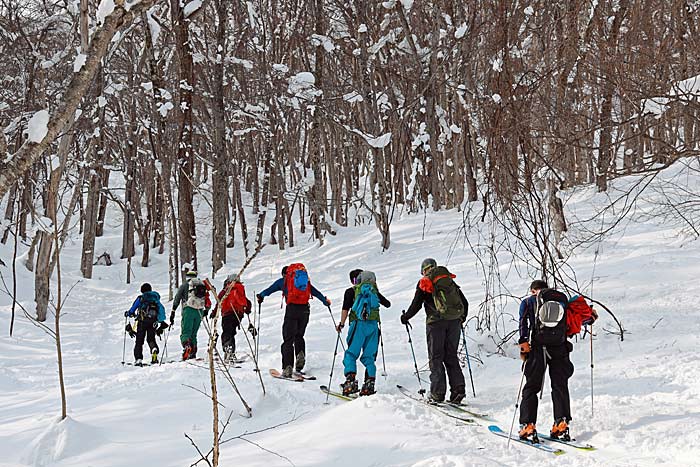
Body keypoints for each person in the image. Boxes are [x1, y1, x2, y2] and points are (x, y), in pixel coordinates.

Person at [516, 279, 595, 443]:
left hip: (538, 348)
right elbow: (580, 320)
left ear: (533, 291)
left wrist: (523, 341)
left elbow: (523, 322)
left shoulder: (528, 302)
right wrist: (590, 317)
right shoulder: (561, 302)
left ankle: (527, 424)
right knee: (560, 385)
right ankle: (561, 422)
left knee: (532, 386)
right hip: (559, 347)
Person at [400, 258, 468, 403]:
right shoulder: (448, 280)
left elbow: (416, 304)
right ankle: (458, 390)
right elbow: (464, 302)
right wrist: (461, 319)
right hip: (454, 322)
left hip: (435, 323)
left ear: (424, 270)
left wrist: (405, 317)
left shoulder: (425, 282)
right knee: (451, 356)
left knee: (436, 358)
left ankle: (437, 393)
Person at [256, 263, 330, 378]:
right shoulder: (305, 283)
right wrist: (325, 302)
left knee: (288, 339)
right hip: (305, 310)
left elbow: (269, 290)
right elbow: (316, 293)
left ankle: (287, 367)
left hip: (292, 310)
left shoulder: (283, 281)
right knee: (299, 336)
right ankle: (300, 356)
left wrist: (261, 296)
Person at [336, 269, 391, 396]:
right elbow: (387, 304)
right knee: (369, 357)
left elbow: (345, 308)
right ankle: (369, 385)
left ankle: (350, 382)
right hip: (373, 327)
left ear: (354, 281)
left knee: (351, 354)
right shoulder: (374, 291)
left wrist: (342, 324)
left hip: (358, 325)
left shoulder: (351, 291)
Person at [210, 273, 252, 363]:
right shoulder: (240, 288)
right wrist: (248, 310)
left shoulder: (226, 289)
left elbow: (219, 301)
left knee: (227, 333)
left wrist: (214, 313)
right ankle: (231, 352)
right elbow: (246, 301)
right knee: (231, 333)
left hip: (227, 313)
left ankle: (229, 351)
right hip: (238, 315)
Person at [171, 270, 211, 360]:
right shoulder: (202, 285)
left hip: (188, 310)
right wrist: (206, 310)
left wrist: (173, 311)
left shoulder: (185, 285)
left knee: (186, 332)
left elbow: (177, 298)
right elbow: (207, 299)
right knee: (194, 333)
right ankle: (193, 352)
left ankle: (187, 347)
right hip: (199, 311)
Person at [125, 283, 168, 366]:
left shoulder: (141, 298)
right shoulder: (155, 299)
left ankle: (138, 359)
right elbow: (161, 310)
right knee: (151, 339)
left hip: (142, 322)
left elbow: (132, 310)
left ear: (142, 290)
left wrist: (128, 313)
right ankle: (154, 350)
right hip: (153, 322)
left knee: (139, 341)